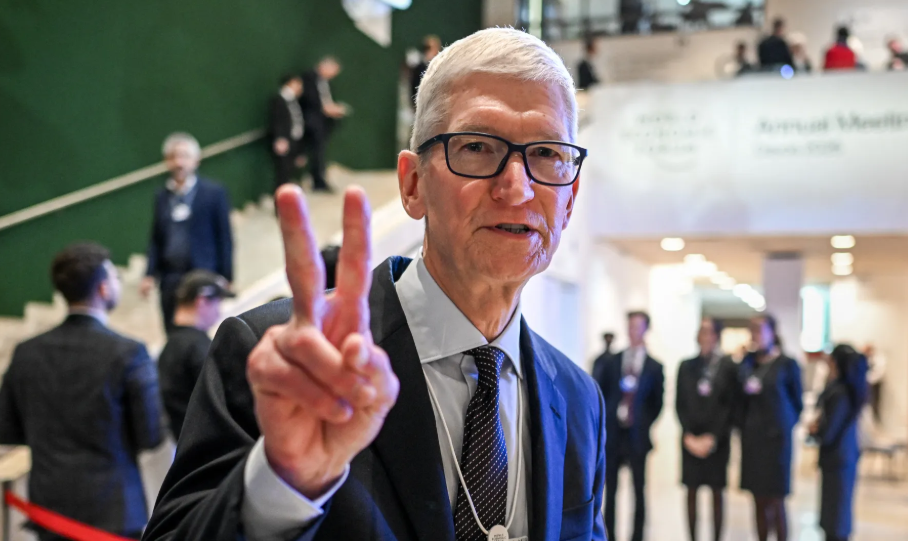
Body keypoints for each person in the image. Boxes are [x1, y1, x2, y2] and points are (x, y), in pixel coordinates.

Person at [143, 27, 604, 541]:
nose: (517, 188)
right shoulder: (285, 359)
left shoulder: (579, 399)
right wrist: (285, 485)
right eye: (476, 146)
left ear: (570, 199)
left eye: (547, 154)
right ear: (413, 184)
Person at [0, 242, 163, 541]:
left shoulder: (26, 352)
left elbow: (7, 429)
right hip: (113, 509)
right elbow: (150, 435)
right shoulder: (129, 352)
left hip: (49, 509)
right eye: (114, 277)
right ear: (103, 288)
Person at [140, 132, 234, 332]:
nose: (179, 162)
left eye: (185, 156)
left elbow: (224, 237)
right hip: (170, 278)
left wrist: (227, 275)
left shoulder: (213, 193)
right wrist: (149, 273)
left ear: (196, 160)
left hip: (202, 274)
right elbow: (156, 238)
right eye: (174, 157)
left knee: (199, 332)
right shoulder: (162, 196)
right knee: (172, 330)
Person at [596, 311, 665, 541]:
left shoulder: (654, 366)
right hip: (614, 435)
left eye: (638, 326)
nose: (633, 330)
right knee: (611, 491)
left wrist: (643, 423)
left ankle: (638, 536)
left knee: (639, 490)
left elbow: (657, 402)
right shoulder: (613, 361)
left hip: (637, 436)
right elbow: (603, 392)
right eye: (630, 326)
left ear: (646, 329)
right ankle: (610, 535)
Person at [736, 314, 803, 541]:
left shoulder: (787, 364)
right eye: (752, 330)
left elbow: (797, 403)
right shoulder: (748, 364)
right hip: (753, 440)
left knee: (776, 499)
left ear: (772, 333)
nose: (756, 335)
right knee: (757, 499)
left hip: (776, 441)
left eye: (760, 330)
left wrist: (783, 424)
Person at [676, 318, 737, 541]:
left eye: (709, 332)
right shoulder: (687, 366)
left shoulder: (728, 367)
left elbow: (730, 406)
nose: (705, 336)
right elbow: (680, 403)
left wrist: (713, 437)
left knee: (717, 492)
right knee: (691, 491)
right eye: (702, 331)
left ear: (717, 336)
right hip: (691, 439)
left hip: (717, 441)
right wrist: (689, 435)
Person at [157, 270, 235, 440]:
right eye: (218, 303)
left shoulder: (171, 346)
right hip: (205, 442)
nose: (219, 312)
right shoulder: (199, 348)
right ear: (202, 301)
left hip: (183, 440)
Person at [808, 345, 868, 541]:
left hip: (839, 460)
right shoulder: (843, 389)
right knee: (834, 516)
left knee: (836, 519)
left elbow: (829, 430)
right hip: (840, 458)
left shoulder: (840, 393)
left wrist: (816, 430)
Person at [301, 57, 348, 193]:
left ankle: (320, 179)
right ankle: (317, 181)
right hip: (312, 121)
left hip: (323, 121)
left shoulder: (325, 82)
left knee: (320, 152)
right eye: (332, 71)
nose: (333, 75)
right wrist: (325, 108)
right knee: (316, 152)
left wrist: (333, 108)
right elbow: (309, 99)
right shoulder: (309, 78)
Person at [269, 74, 306, 190]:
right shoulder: (279, 101)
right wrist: (280, 139)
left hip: (295, 139)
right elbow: (276, 121)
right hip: (284, 140)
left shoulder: (294, 100)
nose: (299, 87)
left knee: (291, 169)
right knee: (283, 172)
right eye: (297, 84)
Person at [410, 35, 442, 104]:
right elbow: (414, 89)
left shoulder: (439, 67)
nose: (437, 51)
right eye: (434, 49)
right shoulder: (419, 68)